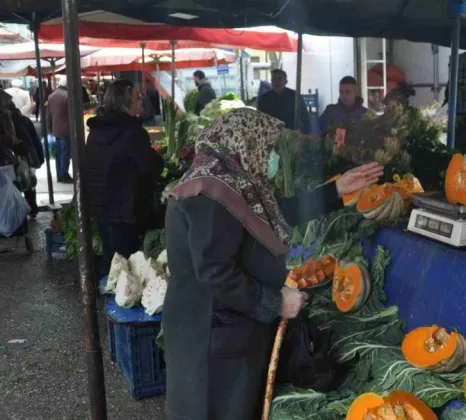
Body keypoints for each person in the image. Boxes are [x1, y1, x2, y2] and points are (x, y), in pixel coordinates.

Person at [163, 107, 383, 420]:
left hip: (225, 331)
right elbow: (216, 273)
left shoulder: (230, 185)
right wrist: (275, 302)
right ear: (244, 144)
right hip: (214, 339)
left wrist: (336, 189)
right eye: (267, 148)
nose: (270, 157)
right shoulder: (211, 196)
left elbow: (277, 213)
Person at [83, 80, 165, 277]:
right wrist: (158, 160)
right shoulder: (133, 132)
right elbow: (149, 166)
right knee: (129, 264)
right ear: (125, 103)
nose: (141, 103)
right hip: (127, 208)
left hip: (101, 206)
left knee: (111, 259)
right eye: (137, 98)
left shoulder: (96, 131)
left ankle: (105, 299)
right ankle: (114, 301)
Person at [1, 91, 44, 217]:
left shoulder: (11, 120)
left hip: (15, 158)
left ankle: (22, 211)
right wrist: (39, 158)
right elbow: (36, 140)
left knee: (18, 185)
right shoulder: (23, 120)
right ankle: (31, 208)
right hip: (24, 156)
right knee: (28, 183)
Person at [257, 69, 310, 133]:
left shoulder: (295, 96)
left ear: (286, 81)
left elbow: (305, 118)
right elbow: (259, 120)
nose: (276, 82)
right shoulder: (263, 99)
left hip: (292, 134)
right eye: (273, 79)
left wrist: (307, 134)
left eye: (279, 79)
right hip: (271, 134)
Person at [47, 77, 73, 184]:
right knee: (65, 154)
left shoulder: (51, 96)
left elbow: (49, 115)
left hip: (56, 129)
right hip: (66, 129)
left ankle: (59, 175)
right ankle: (64, 175)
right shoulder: (67, 96)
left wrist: (50, 129)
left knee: (58, 154)